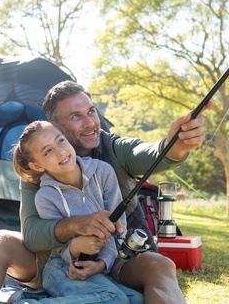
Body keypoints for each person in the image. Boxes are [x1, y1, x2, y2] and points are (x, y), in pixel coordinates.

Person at [0, 81, 212, 304]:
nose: (90, 123)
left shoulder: (110, 148)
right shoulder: (38, 169)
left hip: (118, 259)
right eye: (76, 118)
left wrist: (176, 145)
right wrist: (79, 226)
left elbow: (153, 154)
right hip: (52, 262)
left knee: (161, 265)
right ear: (53, 128)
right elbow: (31, 234)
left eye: (91, 112)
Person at [12, 120, 143, 303]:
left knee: (137, 299)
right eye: (47, 151)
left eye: (61, 141)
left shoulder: (103, 172)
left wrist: (101, 263)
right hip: (62, 269)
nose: (60, 151)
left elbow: (119, 229)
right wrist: (74, 248)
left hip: (96, 269)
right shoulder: (45, 197)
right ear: (37, 166)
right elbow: (57, 247)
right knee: (115, 300)